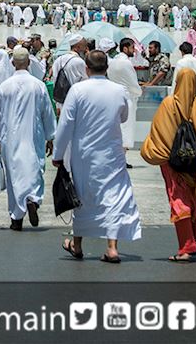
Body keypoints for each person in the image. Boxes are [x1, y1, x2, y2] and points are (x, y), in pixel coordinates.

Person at [53, 50, 142, 262]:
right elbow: (124, 116)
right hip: (111, 152)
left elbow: (65, 125)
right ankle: (112, 247)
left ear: (86, 68)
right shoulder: (118, 90)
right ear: (107, 68)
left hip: (84, 153)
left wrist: (58, 154)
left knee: (82, 196)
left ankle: (77, 244)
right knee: (114, 196)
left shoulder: (78, 90)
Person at [140, 67, 196, 261]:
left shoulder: (168, 105)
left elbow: (159, 134)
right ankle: (192, 240)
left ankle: (187, 247)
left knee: (179, 201)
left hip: (173, 165)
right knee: (194, 201)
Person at [0, 45, 55, 230]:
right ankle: (33, 199)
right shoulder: (38, 85)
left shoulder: (5, 87)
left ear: (12, 63)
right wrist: (51, 136)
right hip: (34, 134)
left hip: (10, 137)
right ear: (28, 62)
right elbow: (47, 113)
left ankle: (16, 217)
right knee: (35, 169)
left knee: (14, 175)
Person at [107, 37, 142, 155]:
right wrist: (139, 91)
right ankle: (121, 158)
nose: (134, 50)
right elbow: (133, 84)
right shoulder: (126, 63)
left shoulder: (112, 62)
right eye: (132, 48)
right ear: (125, 48)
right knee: (126, 131)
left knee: (117, 130)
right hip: (127, 99)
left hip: (113, 98)